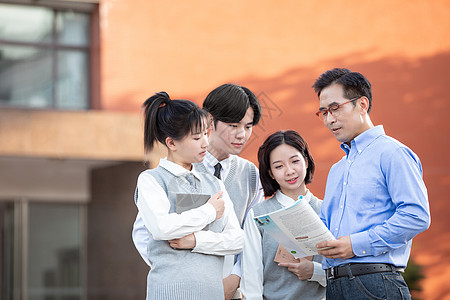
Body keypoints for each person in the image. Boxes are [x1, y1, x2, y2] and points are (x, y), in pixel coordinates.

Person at [132, 84, 264, 299]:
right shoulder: (161, 177)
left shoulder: (248, 174)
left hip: (231, 288)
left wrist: (235, 277)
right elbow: (147, 233)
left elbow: (249, 236)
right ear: (211, 121)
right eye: (233, 125)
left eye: (248, 127)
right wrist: (183, 270)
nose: (242, 134)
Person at [312, 68, 430, 299]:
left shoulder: (392, 153)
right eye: (324, 112)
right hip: (333, 285)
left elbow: (416, 216)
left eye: (335, 108)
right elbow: (327, 227)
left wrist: (356, 244)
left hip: (375, 283)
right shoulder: (338, 169)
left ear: (362, 105)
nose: (329, 119)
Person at [240, 130, 326, 300]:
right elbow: (251, 275)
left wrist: (314, 271)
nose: (289, 171)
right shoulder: (259, 215)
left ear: (306, 161)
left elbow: (342, 269)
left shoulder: (327, 210)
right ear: (271, 173)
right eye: (279, 166)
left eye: (295, 161)